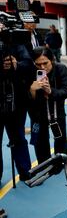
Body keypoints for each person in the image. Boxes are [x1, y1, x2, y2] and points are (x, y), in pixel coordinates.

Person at [0, 23, 33, 183]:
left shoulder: (16, 45)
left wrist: (16, 64)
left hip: (16, 102)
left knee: (19, 138)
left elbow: (28, 64)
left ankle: (25, 171)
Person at [29, 47, 67, 164]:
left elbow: (66, 91)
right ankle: (43, 165)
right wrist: (32, 90)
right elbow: (25, 100)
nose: (42, 67)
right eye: (38, 64)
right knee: (40, 143)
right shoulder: (30, 72)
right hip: (38, 114)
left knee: (60, 140)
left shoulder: (61, 69)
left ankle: (60, 163)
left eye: (45, 63)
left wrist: (50, 91)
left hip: (57, 112)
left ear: (52, 59)